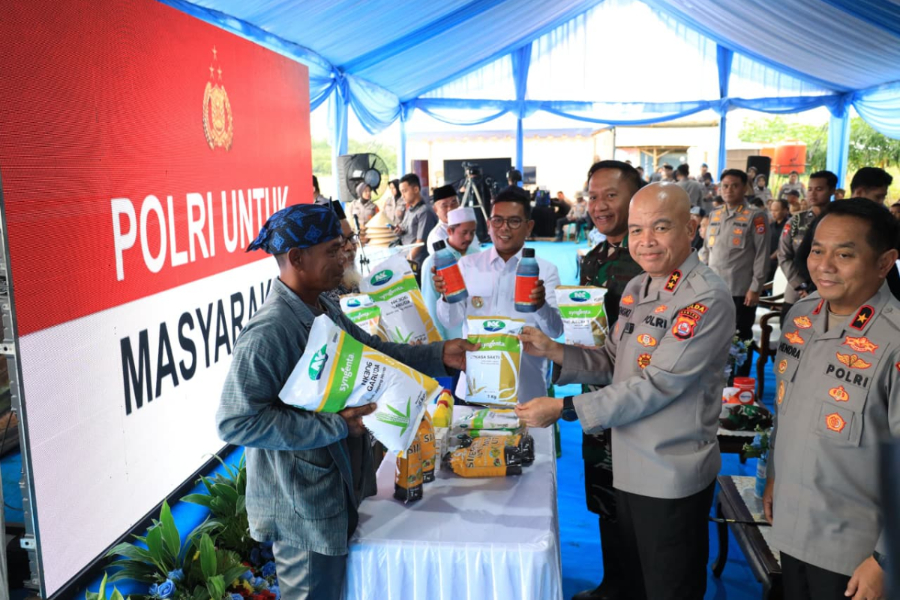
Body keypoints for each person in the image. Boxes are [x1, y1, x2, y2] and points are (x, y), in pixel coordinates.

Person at [216, 203, 475, 600]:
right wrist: (336, 425)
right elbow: (236, 421)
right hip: (301, 508)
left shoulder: (322, 307)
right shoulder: (270, 331)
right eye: (333, 250)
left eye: (344, 245)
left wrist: (438, 355)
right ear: (298, 258)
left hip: (329, 495)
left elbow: (372, 349)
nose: (344, 257)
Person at [515, 183, 735, 600]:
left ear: (690, 228)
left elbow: (657, 385)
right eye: (636, 230)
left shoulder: (704, 298)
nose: (645, 241)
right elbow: (614, 361)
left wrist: (563, 408)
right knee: (636, 578)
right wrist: (554, 349)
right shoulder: (639, 287)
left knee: (669, 585)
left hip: (671, 470)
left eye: (660, 227)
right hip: (629, 462)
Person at [763, 199, 899, 600]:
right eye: (817, 250)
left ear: (884, 262)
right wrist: (774, 476)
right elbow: (787, 412)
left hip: (854, 552)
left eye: (844, 254)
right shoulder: (801, 317)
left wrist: (885, 560)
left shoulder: (893, 338)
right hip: (792, 525)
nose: (824, 265)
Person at [572, 160, 645, 600]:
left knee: (639, 503)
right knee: (603, 495)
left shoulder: (651, 257)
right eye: (593, 196)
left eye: (610, 196)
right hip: (595, 397)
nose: (598, 206)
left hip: (639, 403)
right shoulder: (594, 258)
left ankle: (638, 587)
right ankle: (613, 584)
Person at [434, 185, 564, 404]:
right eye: (497, 220)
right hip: (474, 389)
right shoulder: (467, 266)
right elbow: (450, 320)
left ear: (529, 226)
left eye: (514, 221)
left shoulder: (546, 270)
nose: (504, 228)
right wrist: (447, 296)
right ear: (488, 224)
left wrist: (540, 304)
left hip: (525, 392)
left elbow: (556, 329)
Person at [700, 169, 769, 377]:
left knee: (740, 338)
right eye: (725, 186)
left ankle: (740, 382)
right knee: (712, 336)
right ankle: (716, 379)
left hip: (740, 290)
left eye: (734, 185)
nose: (729, 190)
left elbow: (762, 254)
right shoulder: (714, 215)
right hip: (713, 289)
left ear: (744, 188)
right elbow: (705, 251)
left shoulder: (755, 217)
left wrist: (755, 287)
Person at [778, 170, 837, 317]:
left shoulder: (840, 221)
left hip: (831, 292)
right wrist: (801, 286)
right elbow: (784, 256)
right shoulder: (796, 221)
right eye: (810, 189)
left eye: (819, 189)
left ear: (832, 190)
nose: (812, 194)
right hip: (798, 293)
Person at [422, 206, 480, 340]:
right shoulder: (433, 263)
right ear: (449, 231)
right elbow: (430, 306)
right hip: (450, 338)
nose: (469, 237)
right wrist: (439, 344)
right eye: (464, 232)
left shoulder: (477, 257)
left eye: (472, 232)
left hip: (477, 335)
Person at [395, 173, 439, 273]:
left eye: (405, 191)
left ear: (415, 189)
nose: (402, 196)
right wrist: (400, 231)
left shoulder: (424, 212)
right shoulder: (410, 210)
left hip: (417, 264)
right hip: (408, 259)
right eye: (401, 192)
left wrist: (406, 263)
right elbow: (408, 230)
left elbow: (420, 243)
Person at [323, 201, 362, 306]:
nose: (350, 247)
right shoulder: (323, 298)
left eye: (351, 238)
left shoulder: (356, 283)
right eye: (341, 242)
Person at [425, 184, 462, 252]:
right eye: (444, 206)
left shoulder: (467, 226)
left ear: (459, 203)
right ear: (435, 210)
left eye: (454, 202)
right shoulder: (437, 235)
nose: (450, 208)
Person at [767, 198, 789, 283]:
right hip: (769, 261)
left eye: (776, 210)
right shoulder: (771, 226)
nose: (773, 213)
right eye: (772, 210)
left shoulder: (788, 226)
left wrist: (770, 258)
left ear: (785, 210)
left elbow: (783, 246)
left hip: (780, 262)